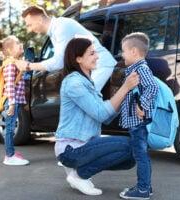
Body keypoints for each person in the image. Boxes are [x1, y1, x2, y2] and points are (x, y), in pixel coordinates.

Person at [55, 37, 139, 196]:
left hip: (86, 144)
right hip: (71, 149)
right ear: (78, 58)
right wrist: (125, 87)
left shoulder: (88, 82)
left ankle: (78, 173)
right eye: (92, 53)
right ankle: (79, 175)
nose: (97, 56)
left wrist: (128, 98)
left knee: (131, 158)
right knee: (131, 145)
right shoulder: (74, 83)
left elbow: (106, 117)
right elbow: (101, 113)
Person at [16, 5, 116, 91]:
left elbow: (59, 62)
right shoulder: (55, 31)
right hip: (92, 68)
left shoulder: (61, 27)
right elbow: (63, 59)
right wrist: (43, 67)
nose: (29, 29)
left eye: (30, 25)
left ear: (40, 19)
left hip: (100, 65)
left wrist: (29, 66)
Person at [119, 32, 159, 200]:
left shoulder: (140, 69)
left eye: (124, 51)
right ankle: (146, 187)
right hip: (137, 122)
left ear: (134, 51)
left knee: (140, 155)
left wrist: (142, 104)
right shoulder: (137, 69)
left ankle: (142, 190)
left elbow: (152, 87)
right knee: (142, 155)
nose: (122, 54)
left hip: (138, 122)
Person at [0, 36, 30, 166]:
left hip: (14, 101)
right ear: (9, 50)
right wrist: (12, 103)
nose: (20, 45)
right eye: (17, 44)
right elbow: (9, 84)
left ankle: (11, 152)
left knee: (10, 127)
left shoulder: (15, 62)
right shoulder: (9, 64)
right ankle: (9, 156)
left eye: (20, 42)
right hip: (11, 102)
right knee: (9, 129)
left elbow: (19, 81)